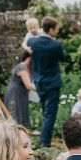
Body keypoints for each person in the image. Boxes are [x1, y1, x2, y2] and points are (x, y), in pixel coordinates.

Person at [28, 16, 66, 147]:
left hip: (39, 82)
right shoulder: (56, 44)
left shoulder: (32, 42)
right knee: (50, 116)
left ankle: (44, 143)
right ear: (50, 30)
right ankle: (45, 145)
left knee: (45, 113)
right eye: (56, 29)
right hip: (52, 83)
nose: (57, 32)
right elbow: (63, 57)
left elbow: (25, 55)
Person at [4, 50, 36, 128]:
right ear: (29, 58)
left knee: (20, 114)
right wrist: (43, 88)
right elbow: (28, 85)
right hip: (15, 94)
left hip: (21, 94)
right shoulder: (22, 67)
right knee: (15, 115)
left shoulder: (26, 68)